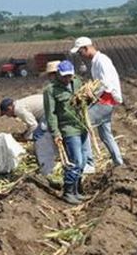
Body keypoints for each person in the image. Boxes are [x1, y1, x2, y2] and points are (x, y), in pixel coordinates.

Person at [70, 36, 124, 169]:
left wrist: (90, 94)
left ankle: (88, 164)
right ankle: (119, 163)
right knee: (105, 134)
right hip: (106, 101)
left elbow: (105, 84)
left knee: (82, 125)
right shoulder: (96, 61)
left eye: (80, 52)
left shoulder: (102, 61)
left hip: (105, 100)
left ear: (86, 48)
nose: (80, 55)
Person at [43, 60, 90, 204]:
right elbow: (51, 114)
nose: (67, 79)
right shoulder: (50, 90)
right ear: (58, 74)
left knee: (82, 161)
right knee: (75, 161)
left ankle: (76, 190)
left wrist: (88, 97)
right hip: (68, 129)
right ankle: (68, 192)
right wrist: (56, 133)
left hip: (81, 126)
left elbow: (86, 102)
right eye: (64, 76)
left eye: (69, 76)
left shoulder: (77, 83)